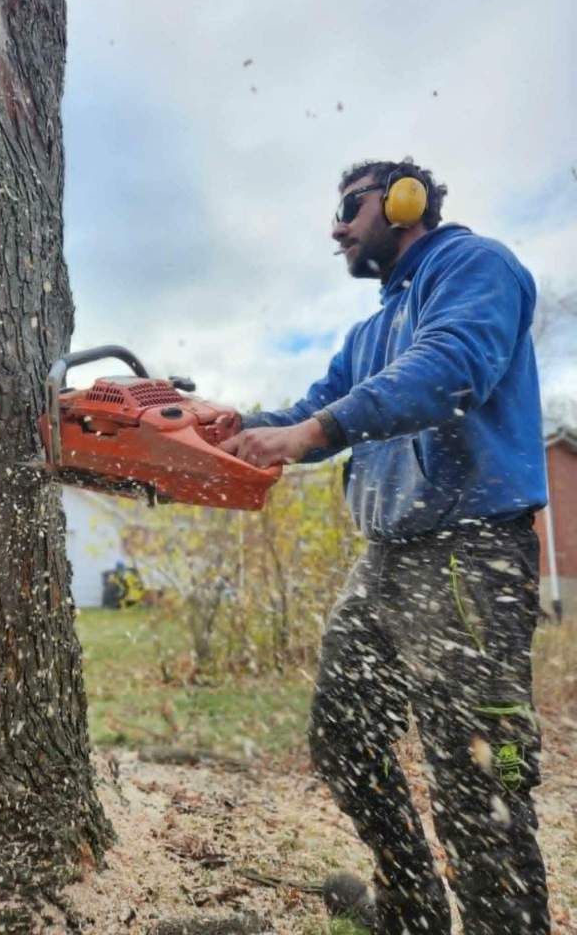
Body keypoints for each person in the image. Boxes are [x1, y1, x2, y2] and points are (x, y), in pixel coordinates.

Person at [219, 159, 551, 935]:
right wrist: (220, 427)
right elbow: (312, 411)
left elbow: (450, 367)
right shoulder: (371, 331)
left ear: (405, 202)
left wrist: (314, 430)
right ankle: (412, 908)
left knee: (482, 769)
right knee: (344, 739)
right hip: (388, 560)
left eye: (349, 207)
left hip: (470, 553)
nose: (337, 228)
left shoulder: (473, 267)